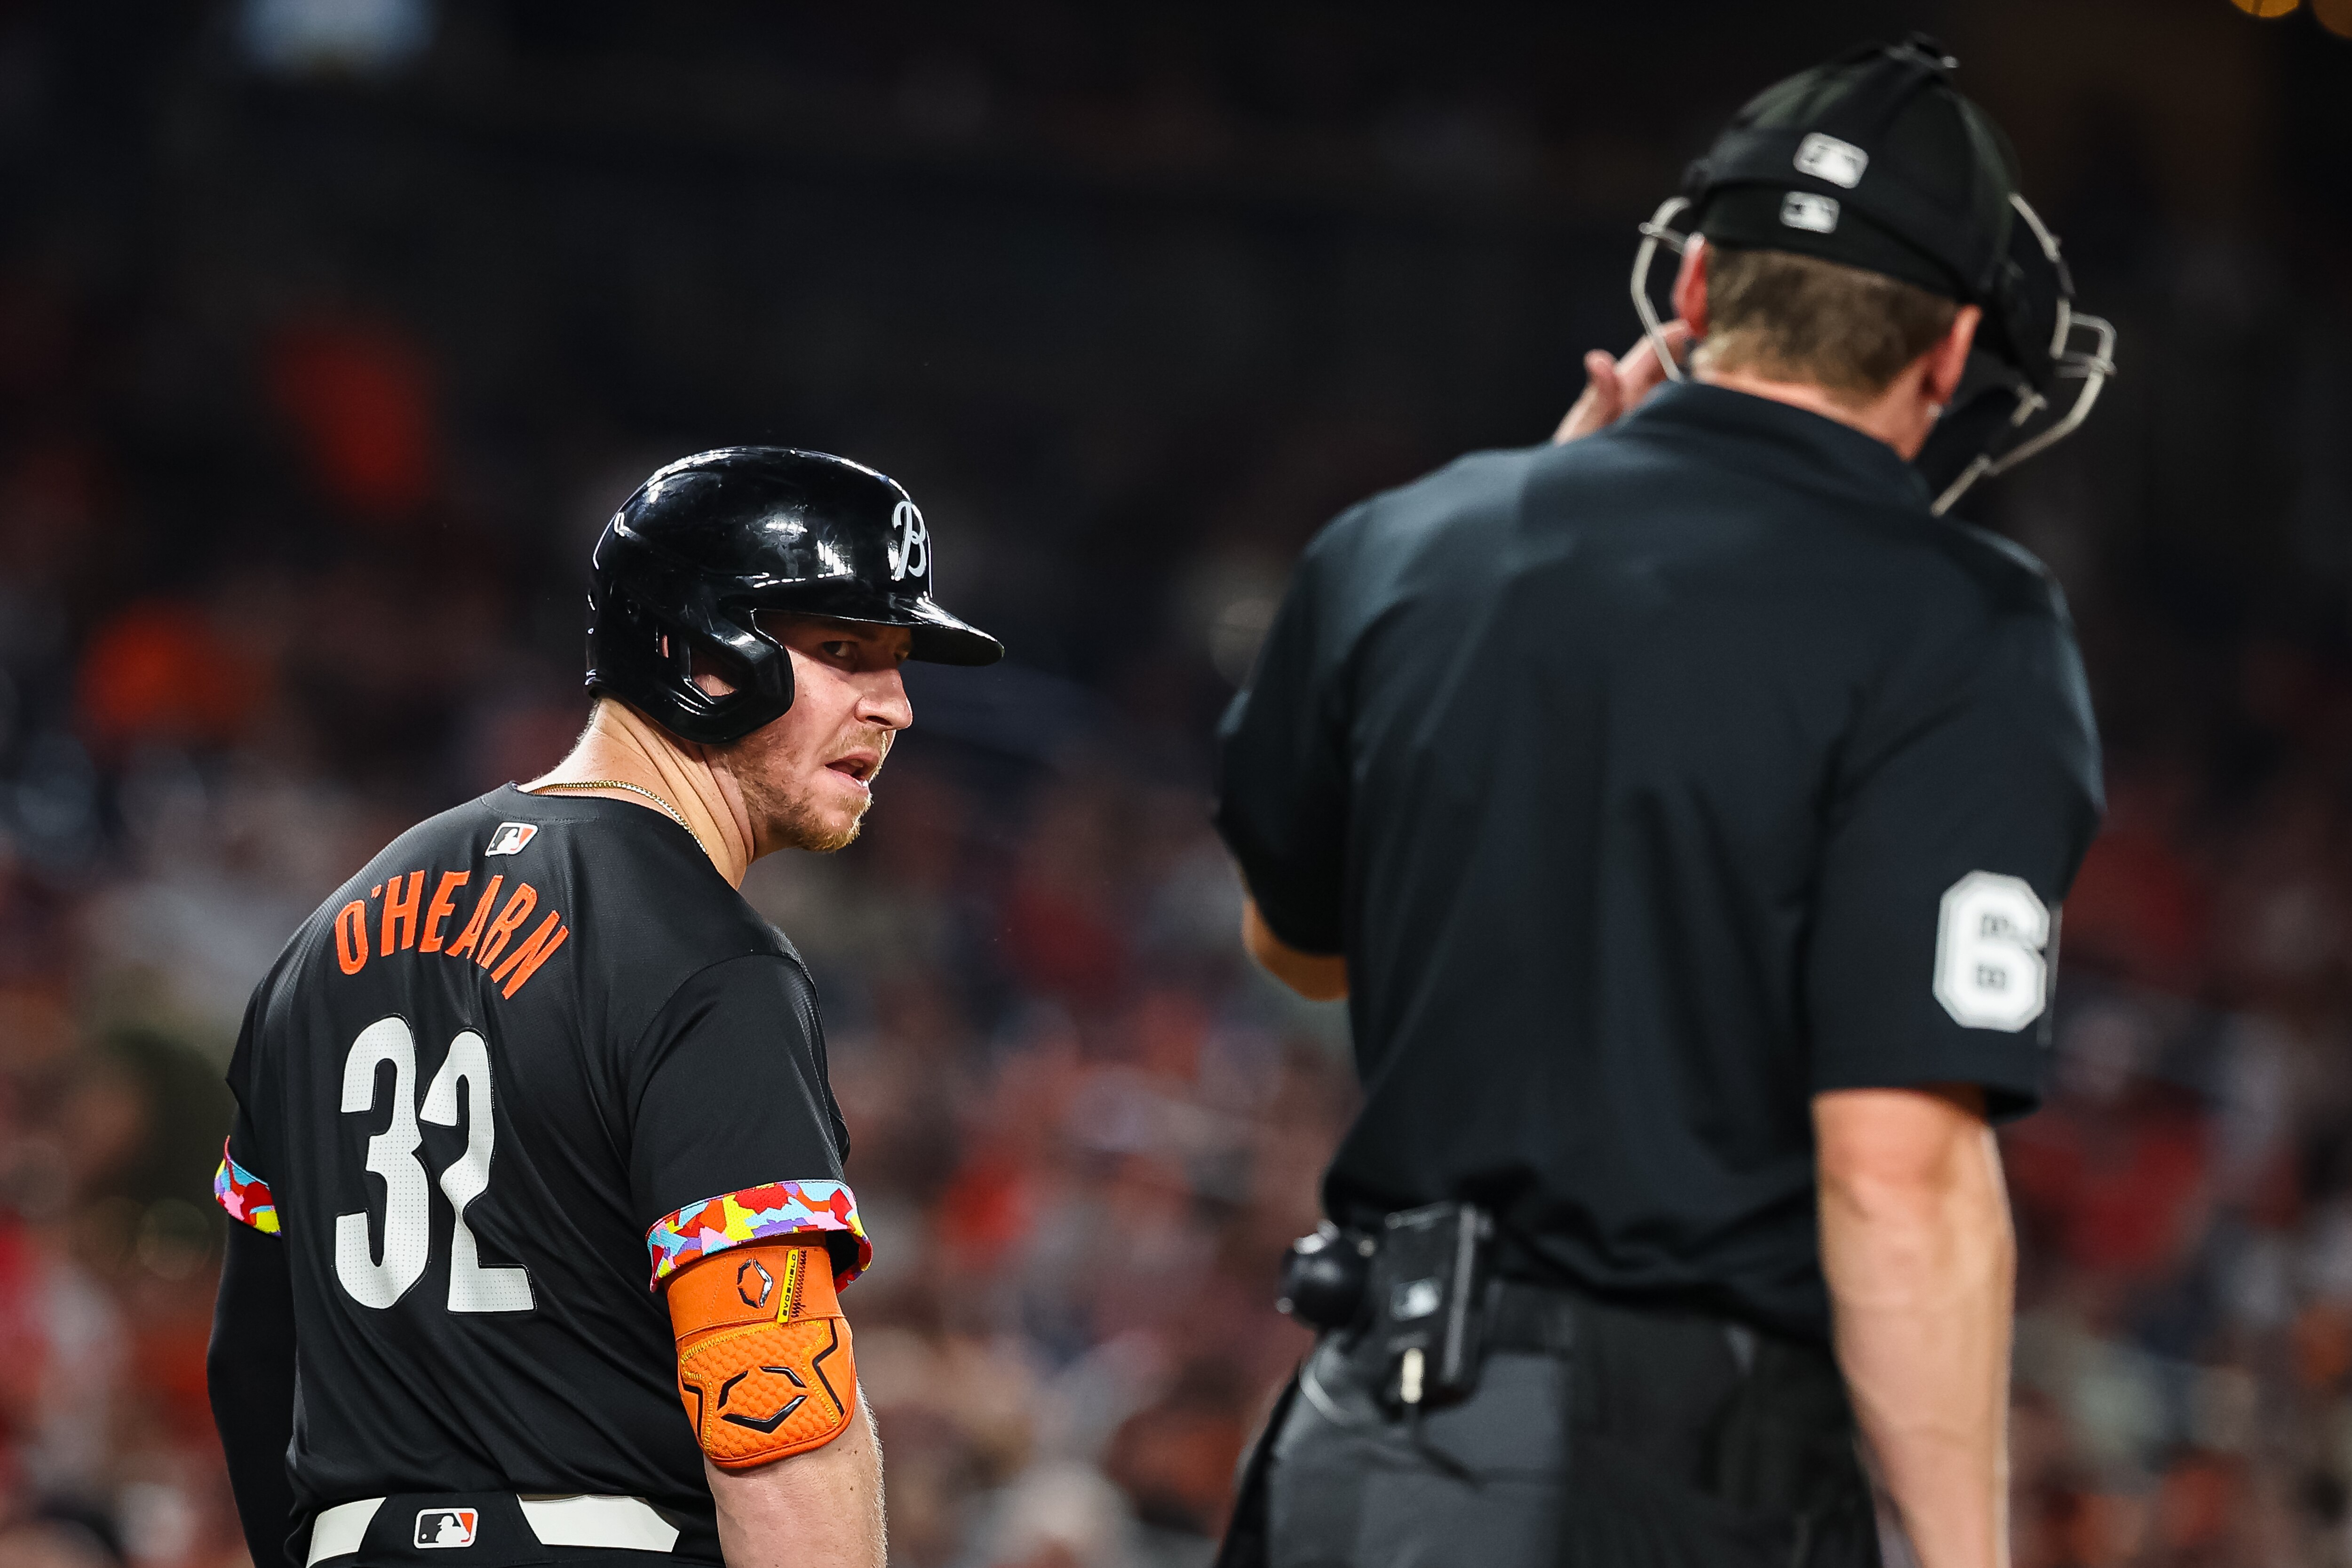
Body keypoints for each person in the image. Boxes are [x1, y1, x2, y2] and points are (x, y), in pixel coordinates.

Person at [1212, 37, 2108, 1568]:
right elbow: (1898, 1168)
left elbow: (1297, 945)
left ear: (1692, 289)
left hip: (1362, 1434)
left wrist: (1518, 617)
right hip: (1675, 1470)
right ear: (1954, 352)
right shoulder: (1963, 623)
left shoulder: (1404, 545)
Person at [205, 448, 1003, 1568]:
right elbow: (775, 1425)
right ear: (694, 651)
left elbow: (252, 1364)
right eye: (842, 651)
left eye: (895, 659)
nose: (897, 704)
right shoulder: (707, 961)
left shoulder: (325, 936)